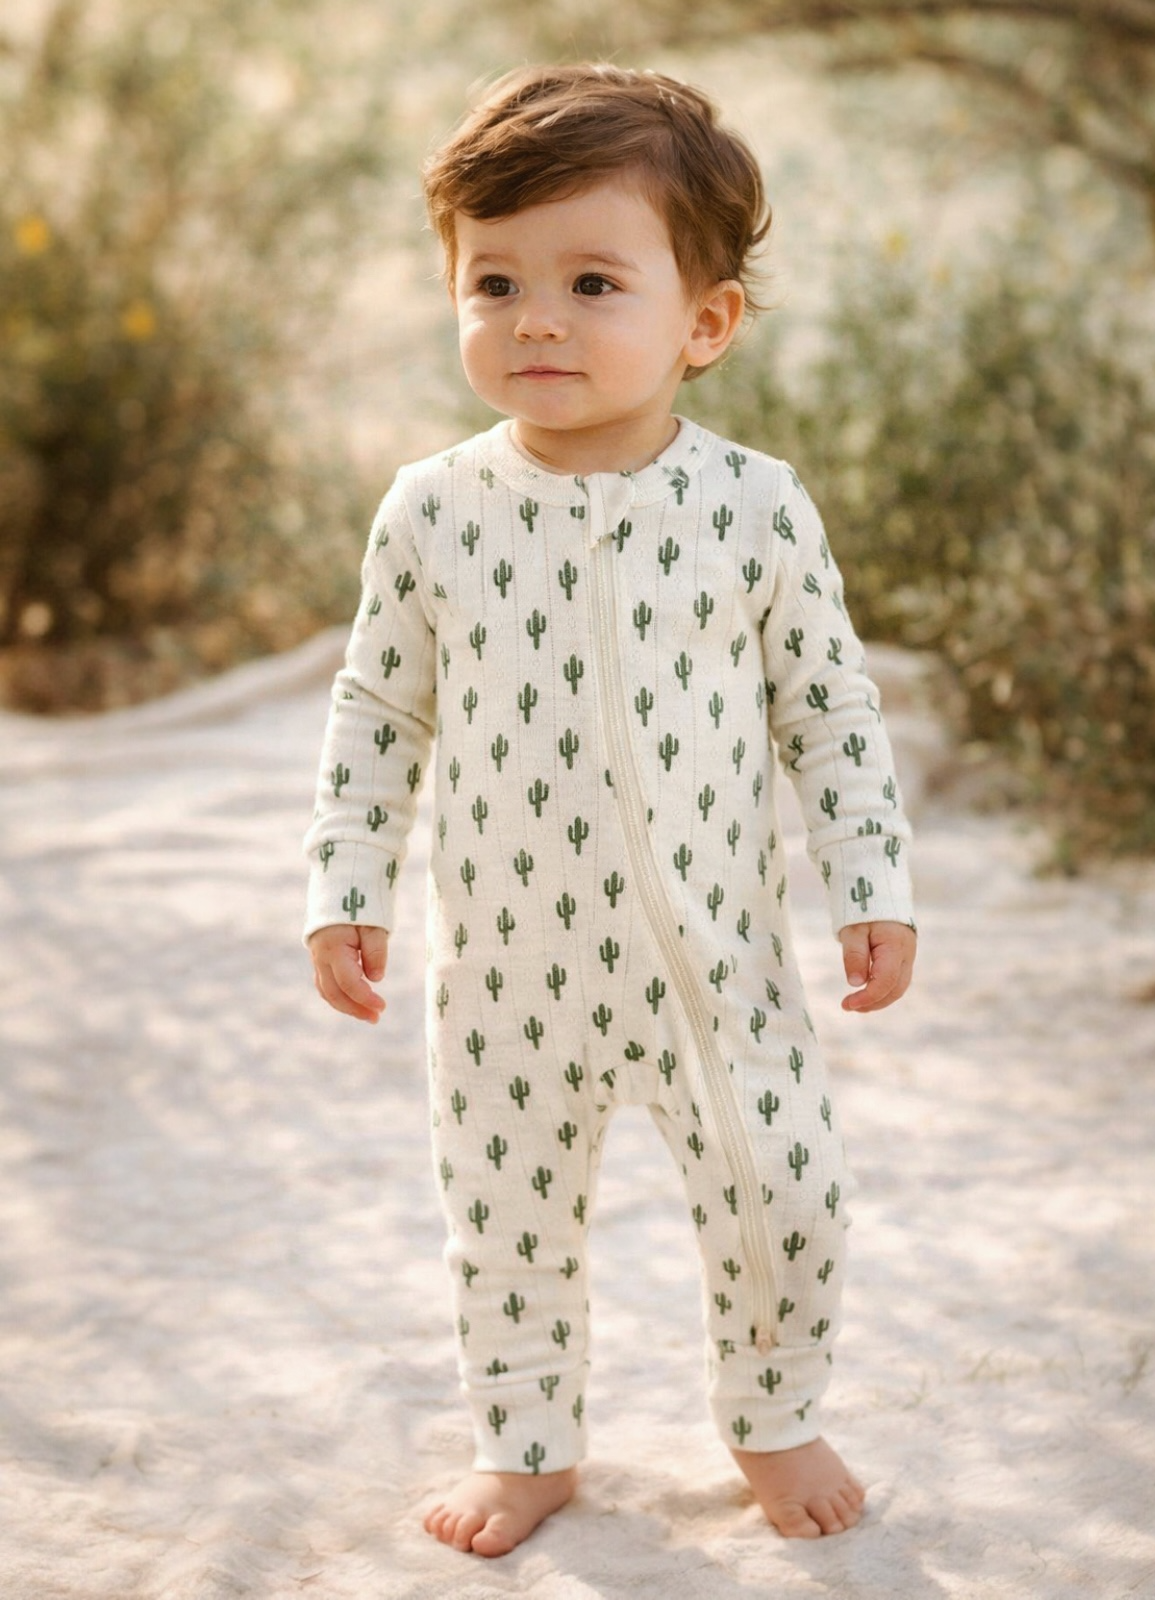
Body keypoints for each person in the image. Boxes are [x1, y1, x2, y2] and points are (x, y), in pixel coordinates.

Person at [304, 62, 917, 1559]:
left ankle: (774, 1413)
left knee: (786, 1193)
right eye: (494, 281)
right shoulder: (433, 510)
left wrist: (870, 884)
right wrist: (346, 887)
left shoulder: (754, 506)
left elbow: (828, 708)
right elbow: (379, 711)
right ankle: (525, 1445)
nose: (537, 320)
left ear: (705, 322)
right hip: (508, 970)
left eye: (591, 282)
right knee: (503, 1224)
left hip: (716, 961)